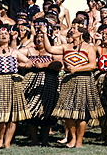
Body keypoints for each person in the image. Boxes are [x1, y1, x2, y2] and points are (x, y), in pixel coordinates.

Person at [43, 17, 104, 148]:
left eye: (75, 29)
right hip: (68, 81)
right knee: (68, 112)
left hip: (84, 80)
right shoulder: (66, 47)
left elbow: (93, 65)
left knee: (82, 113)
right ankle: (72, 138)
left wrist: (76, 69)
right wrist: (44, 34)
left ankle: (79, 141)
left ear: (81, 32)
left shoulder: (89, 48)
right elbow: (49, 49)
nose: (72, 31)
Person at [21, 18, 62, 146]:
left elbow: (59, 64)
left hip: (49, 81)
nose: (39, 39)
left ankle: (44, 140)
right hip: (32, 82)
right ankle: (34, 139)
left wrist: (44, 65)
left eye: (42, 37)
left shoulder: (53, 50)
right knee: (31, 110)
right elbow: (14, 52)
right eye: (37, 38)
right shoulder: (30, 50)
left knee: (46, 111)